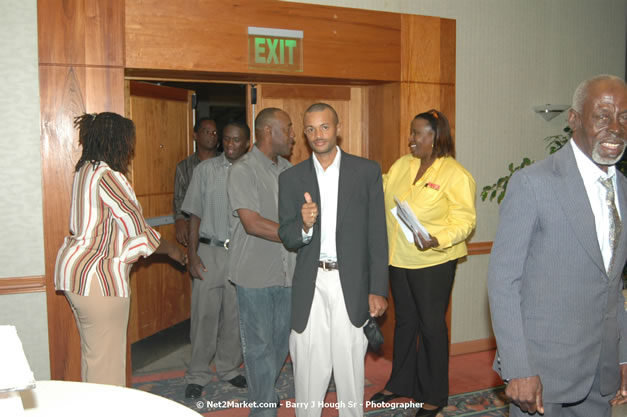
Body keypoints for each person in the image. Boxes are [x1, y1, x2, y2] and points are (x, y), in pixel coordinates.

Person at [488, 74, 627, 417]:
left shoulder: (623, 188)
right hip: (541, 374)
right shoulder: (532, 184)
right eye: (602, 115)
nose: (615, 127)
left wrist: (622, 356)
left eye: (624, 116)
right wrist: (519, 367)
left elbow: (613, 284)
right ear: (574, 119)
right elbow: (503, 282)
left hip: (600, 374)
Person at [54, 112, 186, 386]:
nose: (130, 147)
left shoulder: (85, 171)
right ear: (116, 140)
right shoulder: (108, 177)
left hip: (76, 277)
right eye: (128, 141)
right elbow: (137, 230)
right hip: (99, 280)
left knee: (95, 360)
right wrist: (173, 251)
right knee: (108, 371)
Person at [278, 102, 389, 417]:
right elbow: (287, 236)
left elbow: (377, 235)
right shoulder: (292, 178)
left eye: (324, 127)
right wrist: (304, 225)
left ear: (337, 129)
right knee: (308, 364)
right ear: (304, 133)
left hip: (351, 283)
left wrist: (378, 288)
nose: (318, 135)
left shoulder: (366, 171)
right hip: (312, 281)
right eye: (311, 129)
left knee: (350, 363)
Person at [370, 109, 476, 417]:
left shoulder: (455, 174)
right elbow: (381, 186)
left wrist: (437, 237)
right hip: (398, 259)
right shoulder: (404, 164)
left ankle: (433, 396)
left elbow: (465, 221)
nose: (411, 139)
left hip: (433, 261)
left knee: (431, 326)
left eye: (417, 133)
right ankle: (401, 383)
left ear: (435, 137)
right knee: (405, 322)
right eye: (412, 133)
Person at [227, 108, 296, 416]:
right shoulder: (243, 169)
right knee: (258, 348)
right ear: (269, 132)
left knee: (280, 345)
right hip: (254, 274)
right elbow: (252, 223)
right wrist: (296, 234)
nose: (294, 136)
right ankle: (263, 408)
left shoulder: (288, 169)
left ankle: (265, 393)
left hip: (287, 272)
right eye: (289, 129)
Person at [181, 121, 251, 398]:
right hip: (209, 251)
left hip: (242, 253)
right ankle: (197, 372)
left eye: (237, 140)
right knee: (204, 315)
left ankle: (229, 368)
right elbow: (193, 215)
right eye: (227, 139)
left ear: (247, 143)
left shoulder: (252, 171)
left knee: (235, 316)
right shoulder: (205, 170)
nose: (231, 145)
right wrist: (192, 255)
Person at [173, 117, 219, 247]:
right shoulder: (184, 167)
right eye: (207, 131)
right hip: (195, 230)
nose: (212, 135)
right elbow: (179, 198)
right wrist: (179, 219)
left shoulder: (226, 163)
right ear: (195, 136)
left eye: (215, 132)